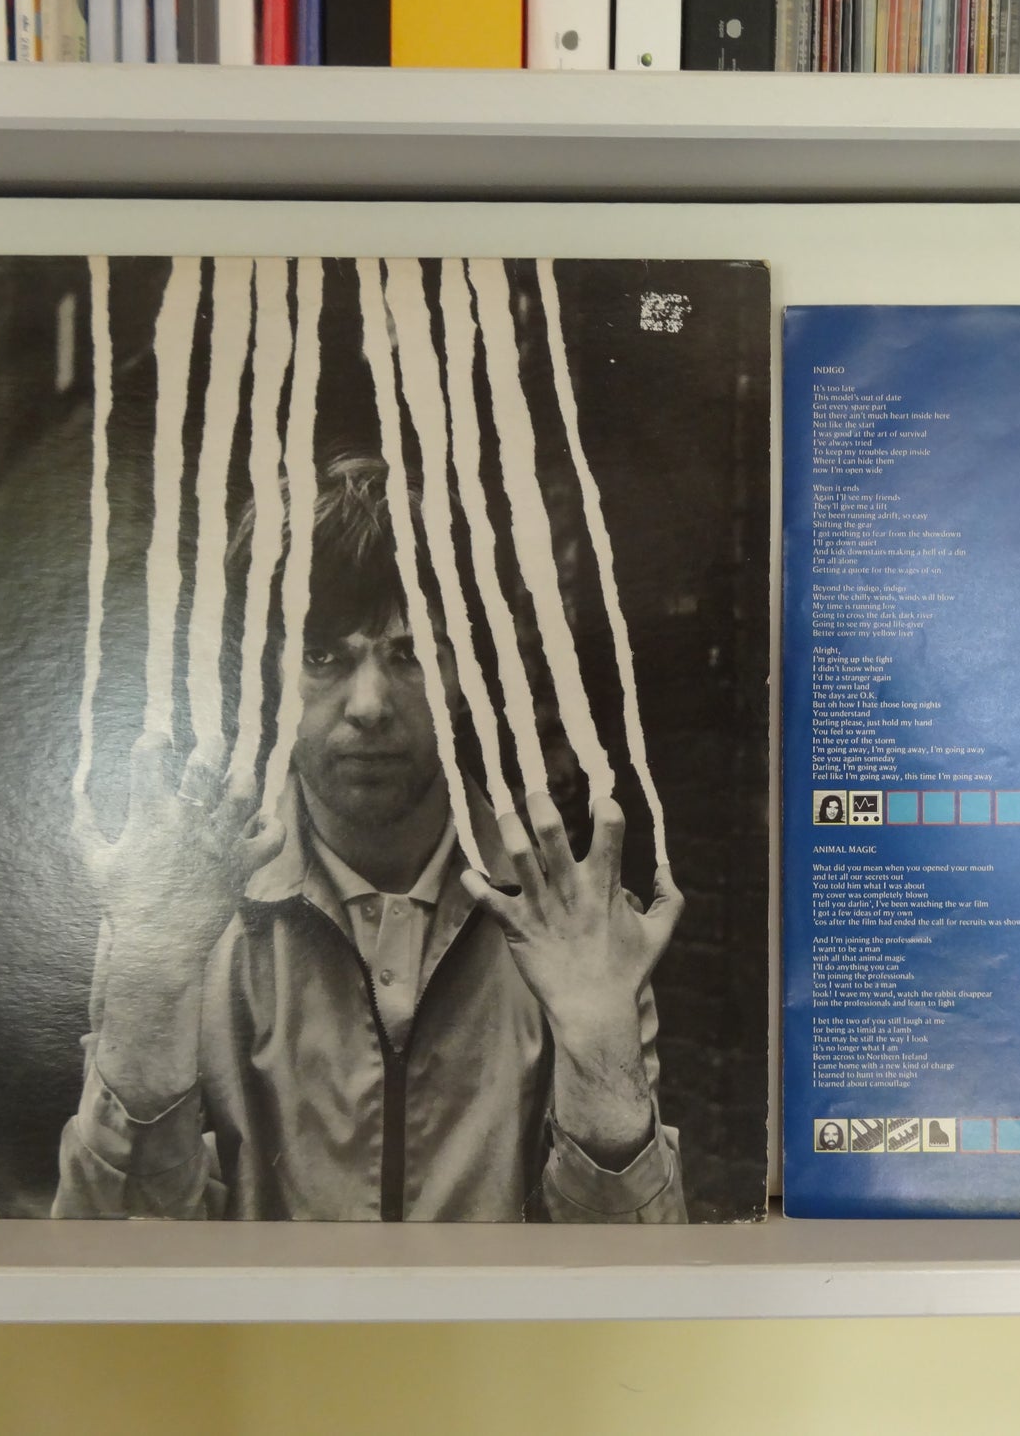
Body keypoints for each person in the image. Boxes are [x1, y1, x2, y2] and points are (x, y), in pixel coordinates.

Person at [55, 455, 687, 1222]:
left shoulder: (577, 934)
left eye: (410, 653)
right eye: (321, 656)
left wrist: (602, 1068)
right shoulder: (177, 916)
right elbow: (114, 1265)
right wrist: (150, 997)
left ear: (464, 677)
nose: (368, 705)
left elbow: (626, 1277)